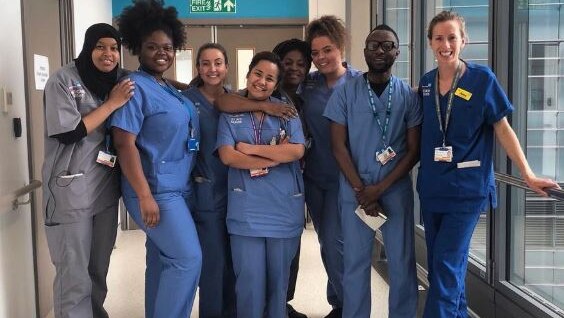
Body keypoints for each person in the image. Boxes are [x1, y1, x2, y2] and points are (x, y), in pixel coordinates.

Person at [418, 11, 560, 318]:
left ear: (464, 40)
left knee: (445, 266)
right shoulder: (426, 84)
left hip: (466, 192)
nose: (446, 44)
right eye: (439, 38)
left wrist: (528, 173)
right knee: (442, 268)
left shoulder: (482, 80)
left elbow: (503, 128)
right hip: (432, 190)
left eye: (452, 37)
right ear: (430, 42)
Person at [111, 1, 202, 317]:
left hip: (178, 187)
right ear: (138, 48)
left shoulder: (167, 87)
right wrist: (144, 195)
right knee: (187, 259)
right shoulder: (134, 89)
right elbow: (125, 144)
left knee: (164, 260)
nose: (161, 52)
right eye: (152, 47)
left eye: (167, 47)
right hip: (154, 190)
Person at [324, 25, 420, 318]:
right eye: (373, 45)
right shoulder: (345, 93)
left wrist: (378, 189)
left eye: (387, 45)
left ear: (397, 52)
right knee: (354, 262)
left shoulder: (407, 94)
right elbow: (338, 146)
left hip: (394, 188)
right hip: (355, 189)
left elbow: (413, 149)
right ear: (364, 51)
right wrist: (362, 191)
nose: (379, 51)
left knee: (402, 262)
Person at [41, 23, 134, 318]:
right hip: (71, 191)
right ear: (87, 47)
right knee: (74, 274)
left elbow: (154, 83)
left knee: (98, 269)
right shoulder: (63, 80)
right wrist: (112, 104)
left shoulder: (119, 80)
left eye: (114, 48)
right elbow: (68, 133)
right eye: (100, 46)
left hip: (104, 188)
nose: (108, 54)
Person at [216, 51, 306, 318]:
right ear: (248, 74)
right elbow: (228, 156)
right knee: (249, 284)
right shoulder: (230, 113)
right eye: (258, 74)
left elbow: (296, 151)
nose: (262, 82)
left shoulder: (287, 113)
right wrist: (273, 155)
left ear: (276, 85)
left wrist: (249, 149)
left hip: (283, 208)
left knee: (278, 286)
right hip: (246, 211)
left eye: (270, 78)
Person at [301, 15, 363, 318]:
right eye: (314, 53)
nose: (321, 58)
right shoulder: (308, 84)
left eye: (327, 50)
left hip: (349, 178)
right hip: (316, 177)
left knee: (338, 244)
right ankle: (339, 301)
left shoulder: (359, 82)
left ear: (340, 47)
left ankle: (349, 306)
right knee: (328, 241)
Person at [182, 43, 237, 318]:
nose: (212, 69)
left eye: (218, 63)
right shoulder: (186, 101)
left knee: (238, 263)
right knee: (213, 264)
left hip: (240, 192)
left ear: (227, 67)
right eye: (205, 63)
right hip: (206, 191)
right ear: (198, 68)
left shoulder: (238, 99)